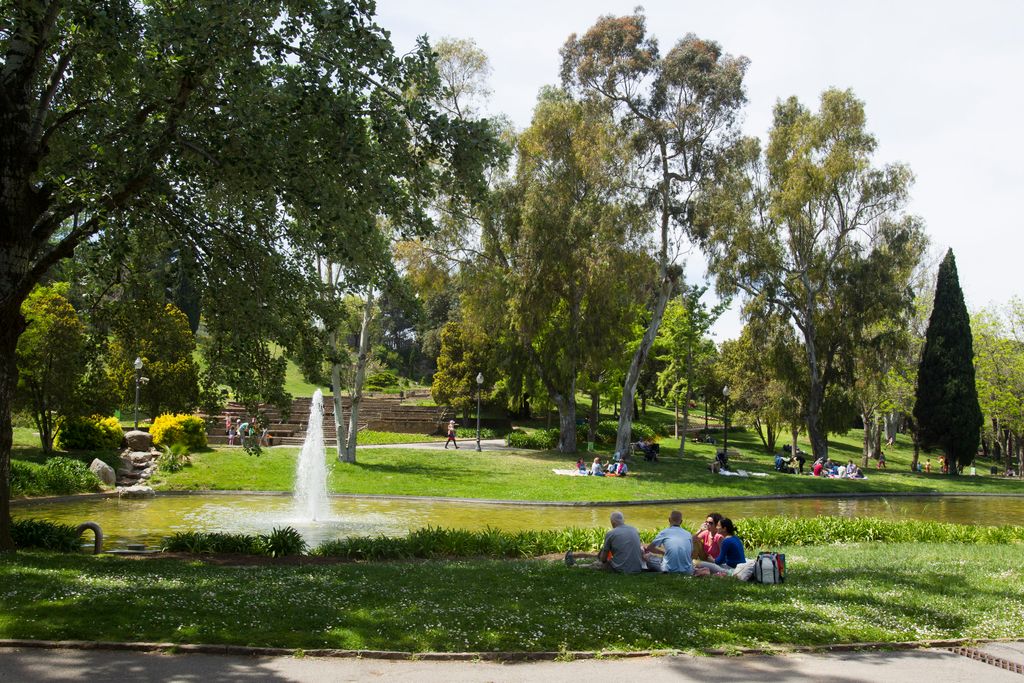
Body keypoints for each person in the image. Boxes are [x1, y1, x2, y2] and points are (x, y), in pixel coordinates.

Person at [565, 511, 645, 574]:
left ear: (612, 522)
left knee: (599, 565)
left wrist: (604, 559)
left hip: (623, 569)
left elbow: (603, 559)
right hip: (637, 568)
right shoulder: (634, 530)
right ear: (623, 520)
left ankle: (575, 566)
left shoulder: (611, 533)